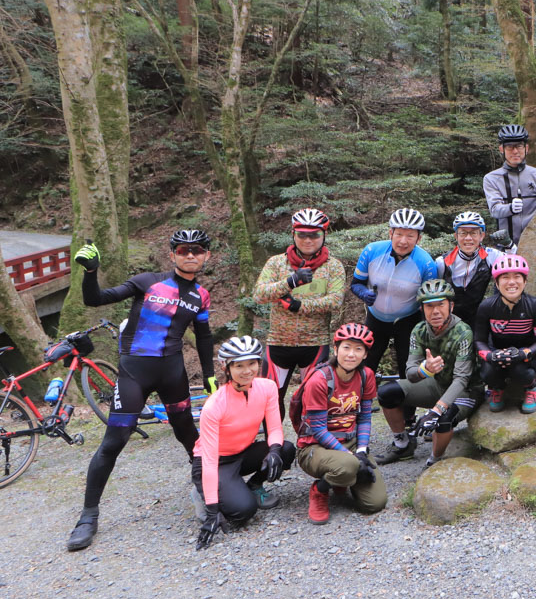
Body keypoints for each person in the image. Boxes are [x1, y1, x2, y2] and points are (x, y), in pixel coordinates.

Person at [66, 229, 216, 551]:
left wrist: (209, 376)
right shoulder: (148, 281)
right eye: (184, 250)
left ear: (206, 255)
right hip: (135, 371)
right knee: (115, 440)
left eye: (198, 250)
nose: (191, 255)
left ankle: (208, 492)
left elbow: (203, 337)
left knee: (188, 434)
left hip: (173, 372)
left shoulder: (200, 295)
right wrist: (90, 272)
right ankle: (88, 516)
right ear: (173, 253)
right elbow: (95, 299)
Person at [193, 336, 296, 549]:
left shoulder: (267, 387)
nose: (247, 370)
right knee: (243, 512)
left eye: (252, 363)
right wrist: (212, 512)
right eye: (239, 365)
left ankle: (254, 485)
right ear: (226, 368)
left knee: (286, 449)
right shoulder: (215, 405)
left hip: (243, 452)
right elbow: (210, 460)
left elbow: (275, 429)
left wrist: (274, 450)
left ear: (259, 363)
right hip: (214, 463)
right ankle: (203, 491)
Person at [377, 280, 483, 466]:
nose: (435, 311)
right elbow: (410, 372)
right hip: (437, 384)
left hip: (466, 392)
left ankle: (434, 460)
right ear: (422, 308)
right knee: (387, 393)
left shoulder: (462, 331)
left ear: (451, 306)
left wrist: (435, 411)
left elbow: (462, 379)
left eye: (440, 305)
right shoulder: (419, 331)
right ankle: (402, 444)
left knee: (443, 419)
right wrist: (424, 370)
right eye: (429, 306)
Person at [251, 208, 346, 419]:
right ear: (293, 235)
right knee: (271, 400)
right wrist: (290, 281)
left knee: (312, 399)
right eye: (302, 234)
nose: (308, 240)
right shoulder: (276, 263)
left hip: (314, 344)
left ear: (324, 235)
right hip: (278, 343)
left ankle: (309, 446)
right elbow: (259, 294)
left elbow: (336, 301)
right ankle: (274, 447)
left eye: (315, 235)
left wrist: (299, 306)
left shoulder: (333, 267)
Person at [295, 323, 387, 524]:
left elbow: (364, 417)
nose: (351, 354)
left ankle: (343, 476)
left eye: (358, 349)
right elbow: (318, 429)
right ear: (335, 349)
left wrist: (361, 450)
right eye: (346, 347)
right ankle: (320, 491)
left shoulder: (366, 375)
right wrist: (351, 459)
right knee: (349, 465)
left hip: (351, 443)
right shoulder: (320, 380)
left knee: (374, 503)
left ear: (365, 354)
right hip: (315, 446)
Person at [349, 208, 438, 373]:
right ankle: (361, 397)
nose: (403, 241)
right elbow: (356, 284)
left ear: (419, 238)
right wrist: (364, 293)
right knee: (367, 363)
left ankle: (409, 397)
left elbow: (429, 301)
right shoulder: (371, 251)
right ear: (390, 233)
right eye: (399, 234)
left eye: (410, 236)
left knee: (407, 365)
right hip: (376, 317)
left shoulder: (426, 263)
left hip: (407, 319)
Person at [474, 255, 536, 414]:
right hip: (497, 351)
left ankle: (531, 388)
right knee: (487, 372)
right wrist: (490, 356)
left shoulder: (535, 306)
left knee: (519, 370)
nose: (511, 282)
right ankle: (497, 388)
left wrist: (524, 353)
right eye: (505, 277)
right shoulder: (487, 307)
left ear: (525, 281)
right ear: (497, 282)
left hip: (527, 353)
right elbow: (479, 340)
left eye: (517, 277)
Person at [484, 124, 536, 245]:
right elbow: (494, 210)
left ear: (526, 148)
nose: (515, 151)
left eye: (519, 146)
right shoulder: (491, 178)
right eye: (509, 147)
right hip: (505, 246)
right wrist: (510, 208)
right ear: (501, 149)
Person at [436, 211, 499, 329]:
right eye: (463, 233)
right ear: (456, 236)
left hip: (477, 318)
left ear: (482, 236)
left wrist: (510, 246)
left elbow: (515, 263)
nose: (468, 238)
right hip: (448, 320)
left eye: (474, 233)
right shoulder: (442, 262)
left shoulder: (491, 256)